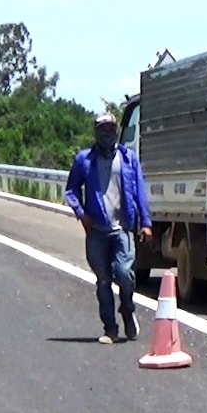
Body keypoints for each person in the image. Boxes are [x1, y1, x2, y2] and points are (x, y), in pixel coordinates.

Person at [64, 113, 154, 344]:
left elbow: (139, 192)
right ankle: (110, 329)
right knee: (103, 280)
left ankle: (127, 308)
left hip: (123, 227)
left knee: (124, 274)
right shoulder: (85, 159)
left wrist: (145, 223)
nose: (108, 133)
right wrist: (82, 215)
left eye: (111, 129)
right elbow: (71, 190)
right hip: (97, 231)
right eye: (103, 129)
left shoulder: (128, 158)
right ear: (96, 132)